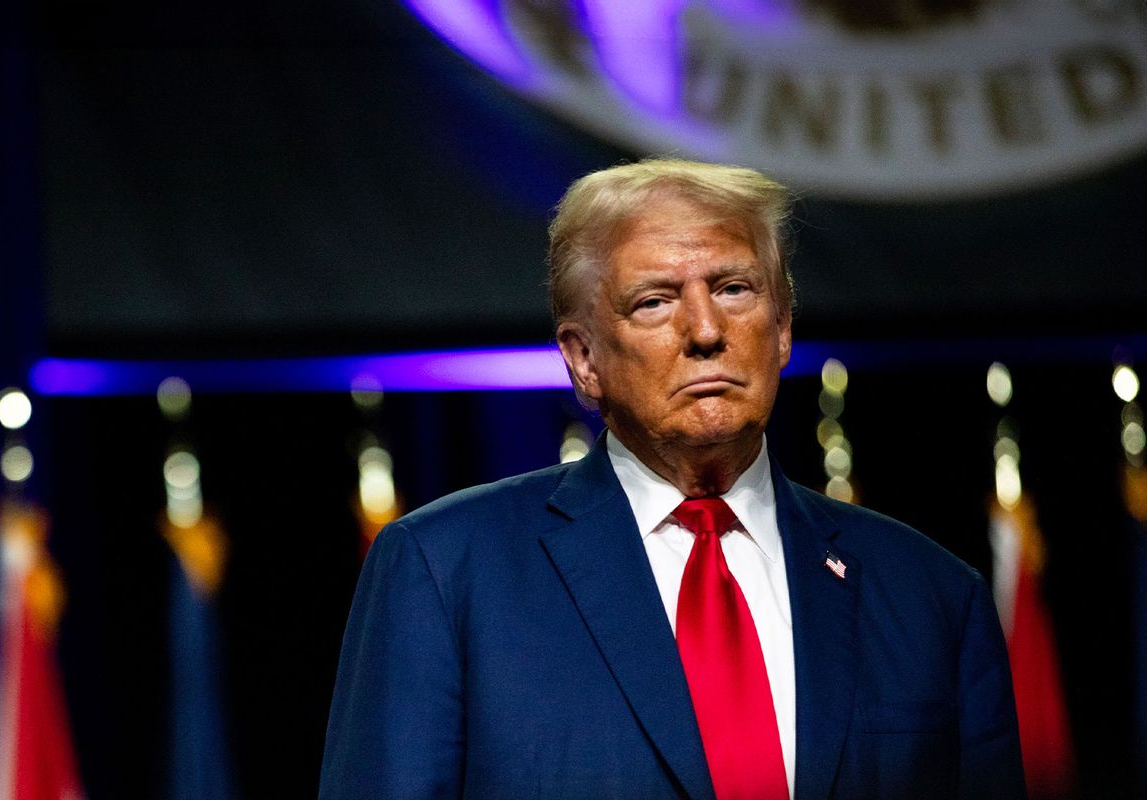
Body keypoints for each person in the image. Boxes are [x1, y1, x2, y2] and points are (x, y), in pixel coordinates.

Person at [318, 158, 1025, 799]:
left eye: (735, 288)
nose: (706, 330)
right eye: (655, 300)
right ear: (584, 358)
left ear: (782, 329)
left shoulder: (933, 596)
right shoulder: (446, 573)